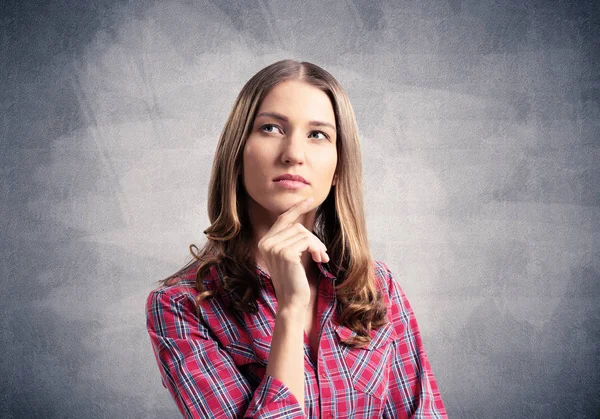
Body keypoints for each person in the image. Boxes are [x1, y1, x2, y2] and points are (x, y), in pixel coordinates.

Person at [145, 59, 448, 419]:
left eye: (317, 134)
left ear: (338, 168)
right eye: (271, 128)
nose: (293, 154)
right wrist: (289, 311)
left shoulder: (377, 287)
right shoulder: (182, 306)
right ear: (238, 153)